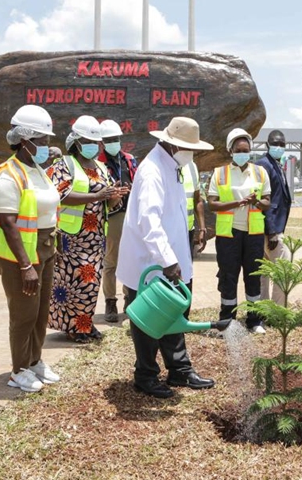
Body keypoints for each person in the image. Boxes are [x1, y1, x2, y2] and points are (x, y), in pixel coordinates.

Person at [117, 116, 215, 398]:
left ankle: (179, 370)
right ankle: (145, 375)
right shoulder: (152, 171)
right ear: (173, 145)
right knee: (149, 321)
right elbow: (149, 220)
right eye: (190, 149)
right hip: (152, 263)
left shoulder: (173, 165)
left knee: (175, 314)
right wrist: (168, 260)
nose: (192, 154)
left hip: (172, 256)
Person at [0, 105, 62, 392]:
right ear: (23, 139)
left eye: (46, 140)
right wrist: (25, 265)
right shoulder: (8, 175)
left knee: (41, 311)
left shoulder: (36, 170)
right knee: (24, 315)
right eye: (41, 140)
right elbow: (8, 224)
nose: (46, 146)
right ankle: (18, 370)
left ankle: (35, 362)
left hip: (44, 248)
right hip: (19, 256)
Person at [48, 115, 126, 343]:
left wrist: (114, 196)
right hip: (73, 237)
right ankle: (74, 327)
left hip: (96, 237)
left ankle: (85, 323)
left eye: (96, 141)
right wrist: (96, 195)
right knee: (71, 282)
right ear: (77, 141)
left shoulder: (101, 167)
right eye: (88, 141)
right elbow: (60, 194)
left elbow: (108, 201)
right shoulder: (65, 164)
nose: (94, 145)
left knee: (90, 284)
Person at [208, 128, 271, 333]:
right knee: (228, 276)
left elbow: (267, 203)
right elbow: (212, 204)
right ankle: (228, 319)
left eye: (246, 149)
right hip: (229, 234)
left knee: (253, 275)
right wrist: (236, 202)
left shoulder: (260, 172)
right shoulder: (220, 173)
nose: (243, 153)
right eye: (239, 149)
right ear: (231, 150)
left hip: (253, 234)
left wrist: (256, 201)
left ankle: (254, 320)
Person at [98, 119, 137, 323]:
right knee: (111, 261)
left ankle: (129, 299)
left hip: (130, 214)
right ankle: (110, 301)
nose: (113, 142)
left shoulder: (129, 160)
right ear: (102, 142)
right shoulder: (99, 162)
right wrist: (113, 194)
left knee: (130, 259)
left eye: (116, 139)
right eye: (109, 140)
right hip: (112, 215)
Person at [255, 129, 292, 305]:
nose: (278, 147)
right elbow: (265, 200)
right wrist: (271, 232)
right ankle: (278, 309)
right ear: (267, 144)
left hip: (272, 227)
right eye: (275, 143)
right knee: (282, 269)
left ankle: (265, 307)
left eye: (282, 144)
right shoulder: (264, 164)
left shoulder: (275, 163)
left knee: (265, 270)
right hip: (271, 229)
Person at [181, 156, 207, 255]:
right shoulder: (162, 166)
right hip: (168, 233)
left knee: (187, 269)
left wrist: (202, 229)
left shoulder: (191, 166)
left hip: (188, 231)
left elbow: (197, 200)